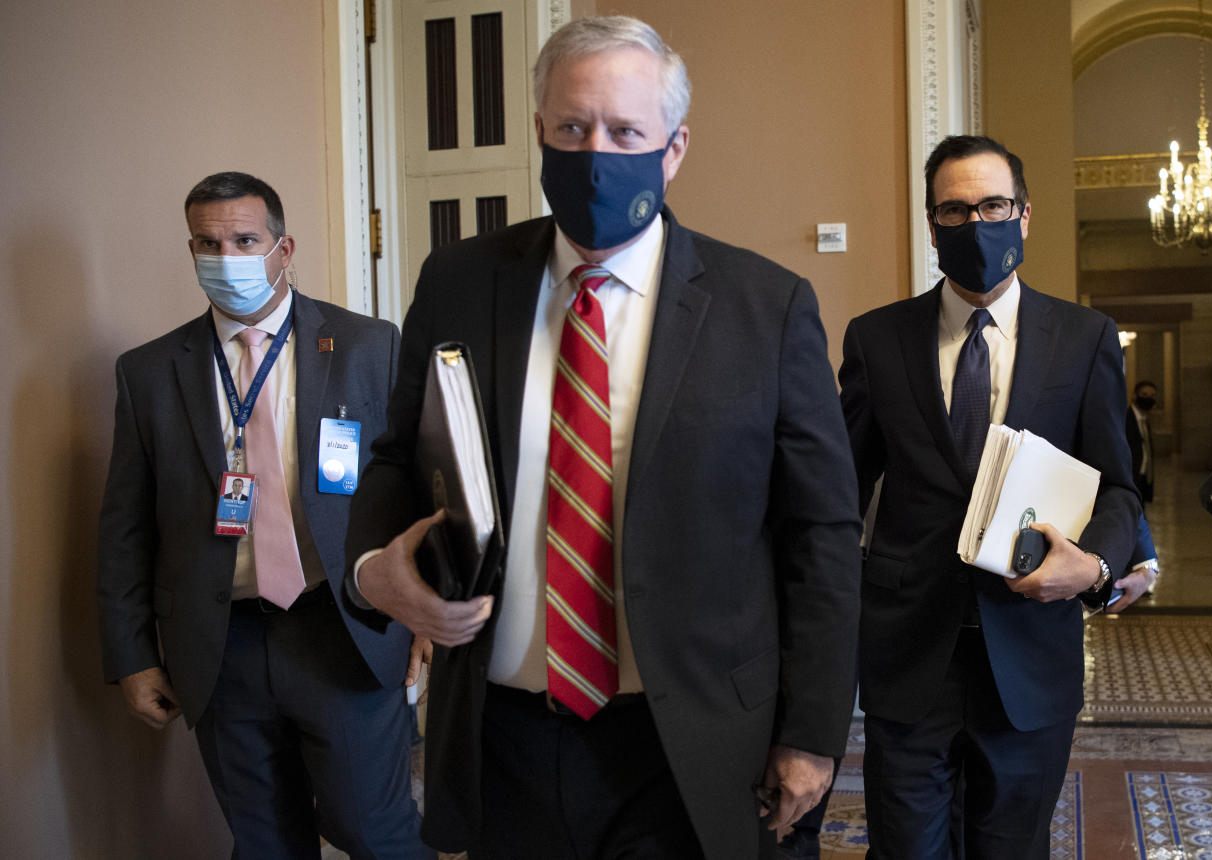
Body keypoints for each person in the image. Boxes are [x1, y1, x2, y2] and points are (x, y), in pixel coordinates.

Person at [342, 15, 862, 860]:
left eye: (626, 132)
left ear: (675, 147)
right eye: (574, 127)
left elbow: (823, 537)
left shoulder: (766, 307)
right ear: (539, 132)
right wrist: (374, 572)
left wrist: (812, 732)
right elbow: (399, 459)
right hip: (504, 735)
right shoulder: (460, 283)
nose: (596, 152)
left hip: (693, 743)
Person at [97, 172, 433, 859]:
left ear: (285, 249)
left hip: (342, 629)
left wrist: (428, 611)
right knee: (264, 844)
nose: (227, 258)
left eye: (245, 240)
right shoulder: (150, 371)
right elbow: (125, 527)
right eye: (208, 243)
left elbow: (419, 491)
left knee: (378, 834)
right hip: (222, 645)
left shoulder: (370, 346)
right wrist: (132, 655)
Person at [838, 135, 1140, 859]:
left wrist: (1094, 566)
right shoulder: (877, 339)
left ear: (1024, 215)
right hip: (908, 655)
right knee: (906, 849)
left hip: (1030, 658)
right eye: (955, 209)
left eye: (994, 205)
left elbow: (1121, 489)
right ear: (932, 221)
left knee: (1011, 847)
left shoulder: (1085, 337)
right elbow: (840, 489)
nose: (977, 224)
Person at [1127, 380, 1157, 505]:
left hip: (1143, 475)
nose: (1148, 399)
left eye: (1152, 396)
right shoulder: (1126, 418)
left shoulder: (1145, 419)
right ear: (1135, 395)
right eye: (1144, 395)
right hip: (1131, 476)